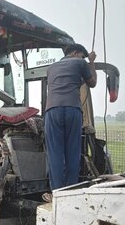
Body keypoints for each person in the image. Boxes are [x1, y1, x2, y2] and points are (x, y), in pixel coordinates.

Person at [44, 43, 97, 193]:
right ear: (75, 53)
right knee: (73, 152)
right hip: (72, 110)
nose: (83, 59)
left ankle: (57, 193)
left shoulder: (51, 68)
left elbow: (68, 81)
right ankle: (70, 191)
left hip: (52, 111)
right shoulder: (80, 63)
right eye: (82, 56)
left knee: (55, 154)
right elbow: (92, 83)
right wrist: (91, 62)